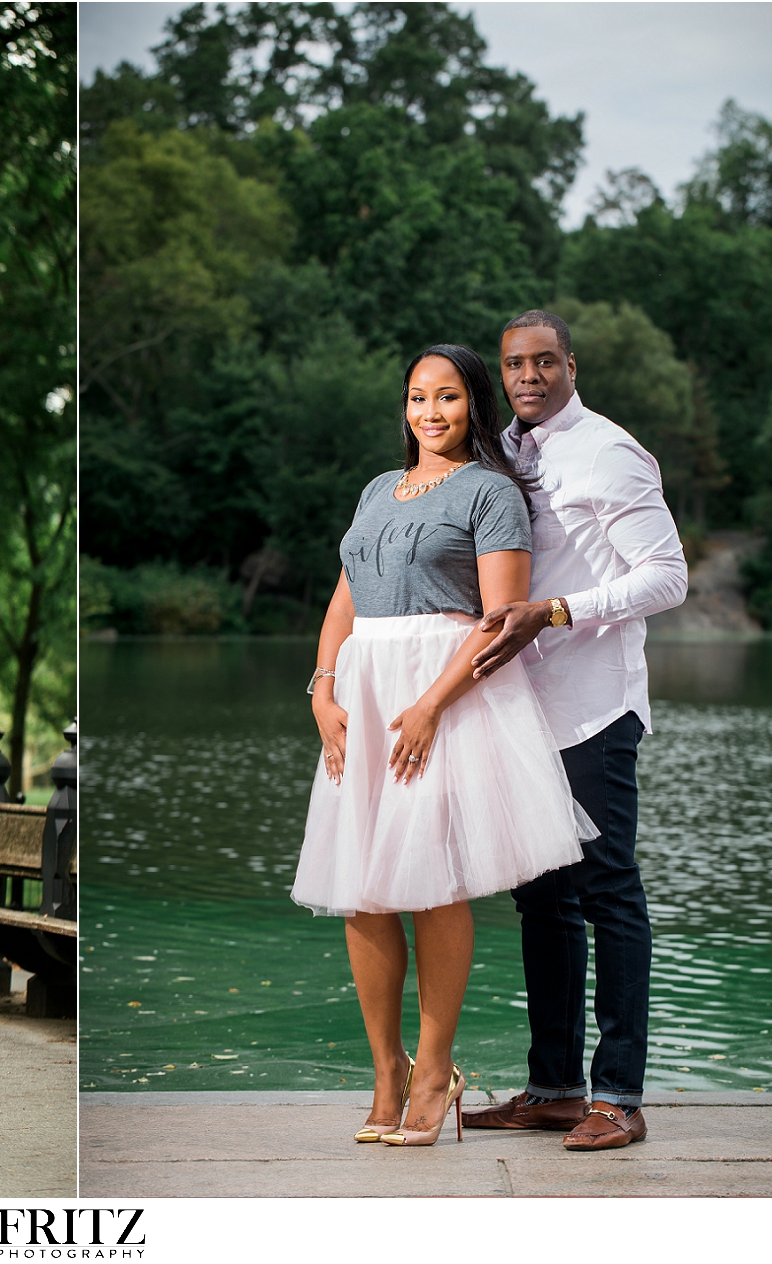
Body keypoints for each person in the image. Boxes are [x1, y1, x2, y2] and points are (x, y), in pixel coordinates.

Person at [291, 344, 595, 1148]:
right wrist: (322, 689)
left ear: (474, 407)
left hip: (446, 696)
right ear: (404, 407)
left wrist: (429, 705)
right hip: (363, 695)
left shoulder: (492, 493)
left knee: (430, 883)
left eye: (450, 397)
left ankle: (434, 1072)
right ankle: (385, 1073)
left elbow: (500, 622)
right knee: (360, 888)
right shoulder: (376, 491)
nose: (432, 412)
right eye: (419, 397)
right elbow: (343, 601)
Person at [461, 310, 687, 1152]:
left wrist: (557, 611)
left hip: (594, 704)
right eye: (515, 363)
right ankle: (554, 1088)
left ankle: (619, 1096)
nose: (528, 375)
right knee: (541, 899)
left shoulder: (609, 451)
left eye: (544, 361)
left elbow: (668, 578)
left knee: (608, 892)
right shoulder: (508, 452)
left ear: (570, 365)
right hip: (523, 707)